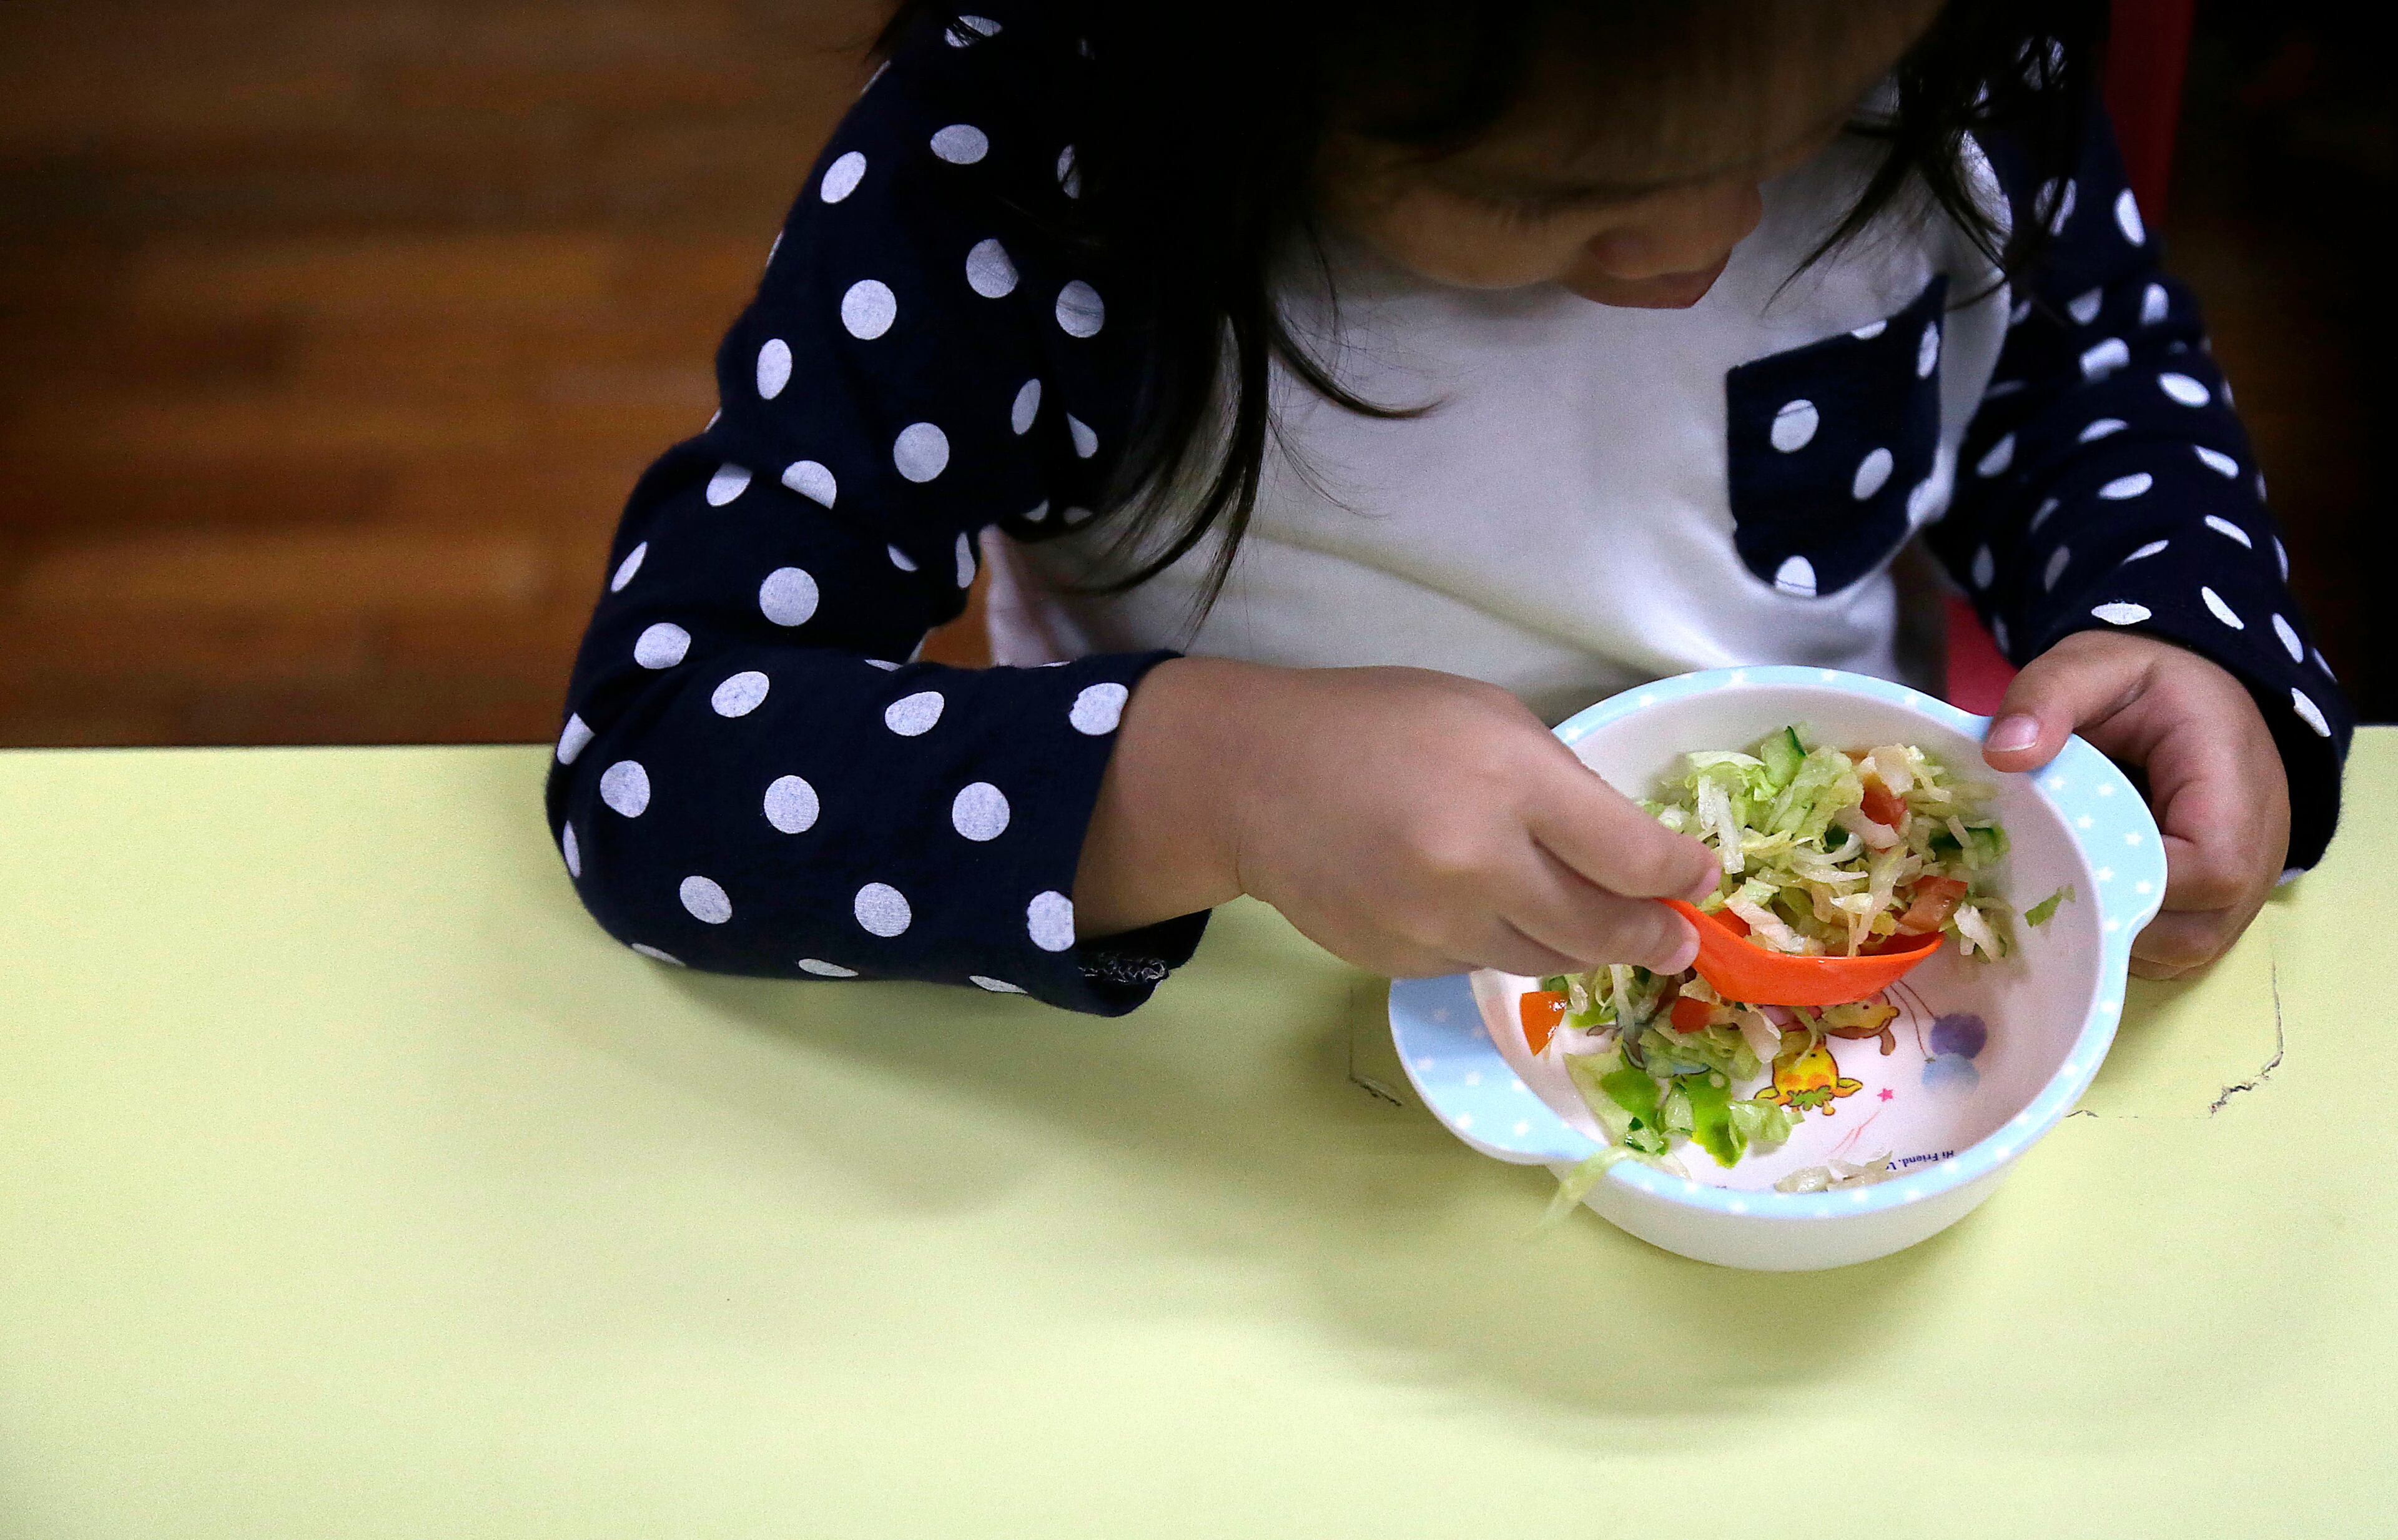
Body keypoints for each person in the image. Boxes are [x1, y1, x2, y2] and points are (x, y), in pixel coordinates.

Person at [546, 0, 2351, 1012]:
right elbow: (663, 750)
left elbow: (2085, 361)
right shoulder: (1028, 167)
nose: (1711, 243)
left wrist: (2186, 624)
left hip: (1836, 1000)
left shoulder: (1973, 56)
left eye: (1808, 136)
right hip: (1232, 1045)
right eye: (1561, 200)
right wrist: (1207, 782)